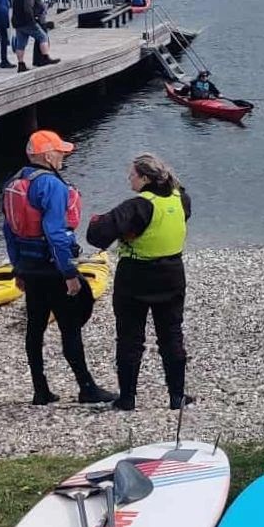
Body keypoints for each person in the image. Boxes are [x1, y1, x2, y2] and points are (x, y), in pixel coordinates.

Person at [1, 131, 116, 406]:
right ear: (46, 155)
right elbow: (55, 232)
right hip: (53, 269)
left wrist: (18, 269)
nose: (64, 156)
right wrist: (68, 273)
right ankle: (87, 388)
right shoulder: (52, 186)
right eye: (60, 152)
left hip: (29, 267)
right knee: (70, 326)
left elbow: (8, 230)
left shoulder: (14, 183)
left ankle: (40, 390)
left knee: (35, 326)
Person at [87, 153, 194, 411]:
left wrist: (97, 220)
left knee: (130, 338)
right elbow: (178, 220)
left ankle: (127, 398)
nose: (129, 180)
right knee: (171, 335)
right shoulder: (182, 198)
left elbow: (97, 236)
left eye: (132, 175)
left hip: (136, 276)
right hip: (172, 274)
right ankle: (177, 396)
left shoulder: (138, 205)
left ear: (145, 178)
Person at [12, 0, 57, 72]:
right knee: (43, 37)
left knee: (21, 44)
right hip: (28, 22)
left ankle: (21, 64)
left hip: (17, 22)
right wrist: (32, 21)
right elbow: (28, 9)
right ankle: (45, 57)